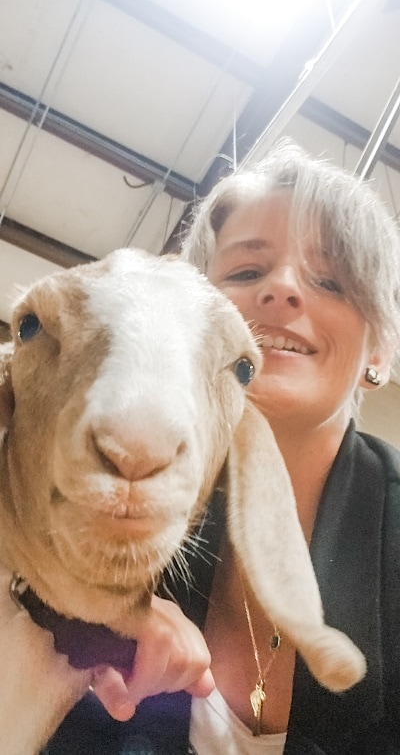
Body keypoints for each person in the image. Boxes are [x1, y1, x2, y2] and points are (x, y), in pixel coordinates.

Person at [46, 141, 400, 754]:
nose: (283, 290)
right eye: (245, 271)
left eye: (330, 281)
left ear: (378, 352)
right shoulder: (106, 484)